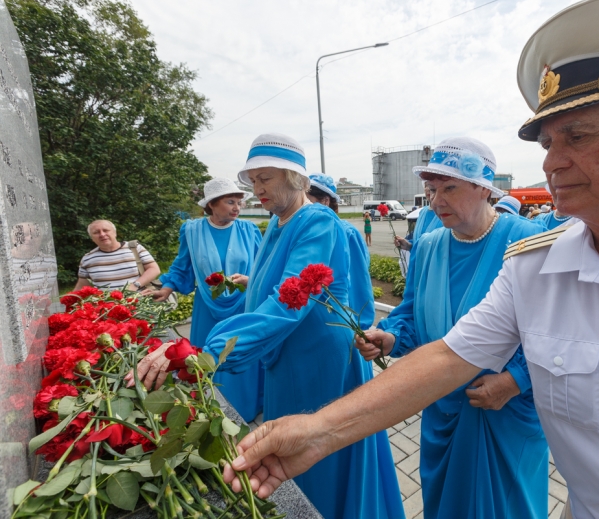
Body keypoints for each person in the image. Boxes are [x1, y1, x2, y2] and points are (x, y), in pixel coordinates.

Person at [218, 0, 599, 519]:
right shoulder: (537, 268)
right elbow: (448, 356)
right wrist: (317, 433)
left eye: (579, 137)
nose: (551, 164)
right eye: (548, 143)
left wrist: (512, 383)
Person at [129, 133, 404, 519]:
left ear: (295, 179)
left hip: (315, 358)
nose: (256, 189)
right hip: (284, 352)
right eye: (253, 180)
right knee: (285, 442)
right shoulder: (277, 221)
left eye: (266, 179)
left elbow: (289, 301)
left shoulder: (317, 223)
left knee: (314, 451)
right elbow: (266, 291)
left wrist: (210, 349)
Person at [357, 137, 550, 518]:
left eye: (449, 188)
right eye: (431, 190)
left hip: (503, 412)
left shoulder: (526, 242)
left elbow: (554, 331)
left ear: (483, 189)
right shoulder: (428, 246)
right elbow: (411, 314)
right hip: (441, 406)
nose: (435, 201)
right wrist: (390, 337)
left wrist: (514, 381)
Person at [143, 177, 263, 421]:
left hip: (242, 306)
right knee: (207, 359)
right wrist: (167, 288)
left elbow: (264, 266)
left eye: (239, 202)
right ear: (212, 204)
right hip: (206, 309)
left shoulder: (248, 230)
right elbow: (182, 266)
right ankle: (211, 411)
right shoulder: (192, 230)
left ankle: (246, 409)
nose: (237, 208)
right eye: (230, 202)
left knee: (241, 353)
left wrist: (250, 280)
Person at [307, 172, 375, 329]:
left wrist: (358, 322)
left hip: (341, 317)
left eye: (307, 201)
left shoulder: (345, 232)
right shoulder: (309, 231)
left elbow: (359, 279)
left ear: (325, 201)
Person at [74, 220, 161, 291]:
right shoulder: (87, 258)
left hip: (138, 302)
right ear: (92, 238)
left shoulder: (134, 248)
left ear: (115, 233)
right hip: (106, 307)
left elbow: (154, 269)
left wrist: (135, 285)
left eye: (105, 230)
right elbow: (82, 286)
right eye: (96, 232)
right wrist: (69, 301)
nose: (102, 234)